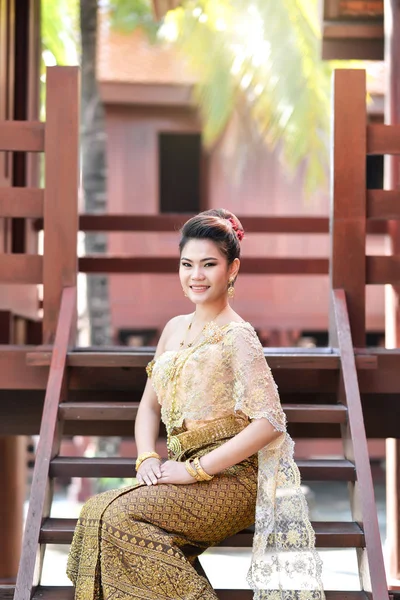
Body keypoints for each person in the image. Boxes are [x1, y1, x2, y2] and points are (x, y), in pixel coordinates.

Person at [67, 208, 325, 600]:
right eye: (187, 264)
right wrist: (145, 458)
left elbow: (271, 421)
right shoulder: (173, 328)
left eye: (209, 264)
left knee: (120, 517)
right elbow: (149, 408)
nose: (196, 275)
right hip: (177, 470)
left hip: (232, 478)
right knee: (94, 513)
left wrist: (196, 471)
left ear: (232, 268)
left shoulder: (237, 335)